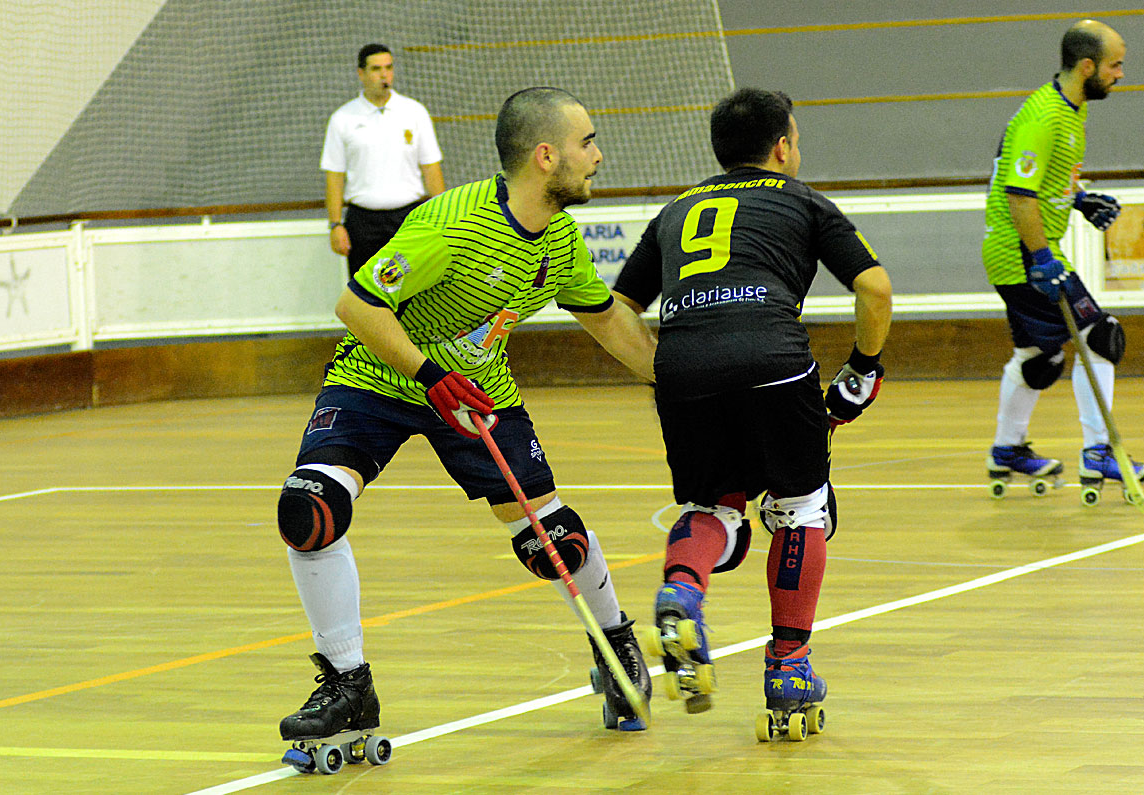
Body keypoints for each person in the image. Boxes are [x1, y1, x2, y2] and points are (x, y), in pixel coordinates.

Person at [276, 87, 657, 745]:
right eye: (587, 142)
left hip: (478, 394)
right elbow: (357, 305)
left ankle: (614, 641)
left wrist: (682, 379)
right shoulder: (451, 224)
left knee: (552, 542)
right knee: (309, 510)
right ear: (546, 156)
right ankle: (347, 683)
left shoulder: (560, 239)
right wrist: (430, 375)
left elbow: (607, 322)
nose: (598, 155)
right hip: (380, 376)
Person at [612, 89, 892, 735]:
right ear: (783, 146)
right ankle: (789, 668)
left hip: (684, 367)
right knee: (800, 507)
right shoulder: (803, 200)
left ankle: (682, 591)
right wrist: (864, 366)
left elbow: (618, 307)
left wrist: (662, 369)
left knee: (713, 507)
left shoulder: (676, 210)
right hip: (774, 360)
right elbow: (874, 287)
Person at [982, 19, 1144, 497]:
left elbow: (1039, 179)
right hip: (1021, 253)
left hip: (1022, 251)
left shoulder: (1070, 110)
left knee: (1039, 357)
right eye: (1114, 65)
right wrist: (1041, 258)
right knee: (1100, 337)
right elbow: (1019, 194)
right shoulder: (1044, 117)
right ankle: (1099, 453)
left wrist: (1078, 199)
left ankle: (1006, 451)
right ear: (1087, 66)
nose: (1121, 74)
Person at [321, 43, 445, 280]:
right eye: (376, 69)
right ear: (361, 74)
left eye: (389, 68)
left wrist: (441, 219)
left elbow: (431, 168)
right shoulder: (342, 119)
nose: (384, 75)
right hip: (363, 222)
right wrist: (335, 225)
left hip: (408, 219)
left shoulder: (415, 112)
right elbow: (334, 175)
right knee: (365, 291)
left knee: (411, 289)